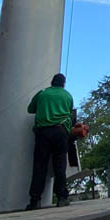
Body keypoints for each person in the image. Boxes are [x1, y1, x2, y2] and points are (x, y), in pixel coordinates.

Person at [26, 73, 74, 210]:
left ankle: (35, 200)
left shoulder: (42, 94)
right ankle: (62, 198)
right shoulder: (68, 96)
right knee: (60, 165)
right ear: (63, 84)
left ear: (52, 82)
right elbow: (70, 113)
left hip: (43, 133)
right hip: (61, 132)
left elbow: (30, 109)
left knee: (39, 166)